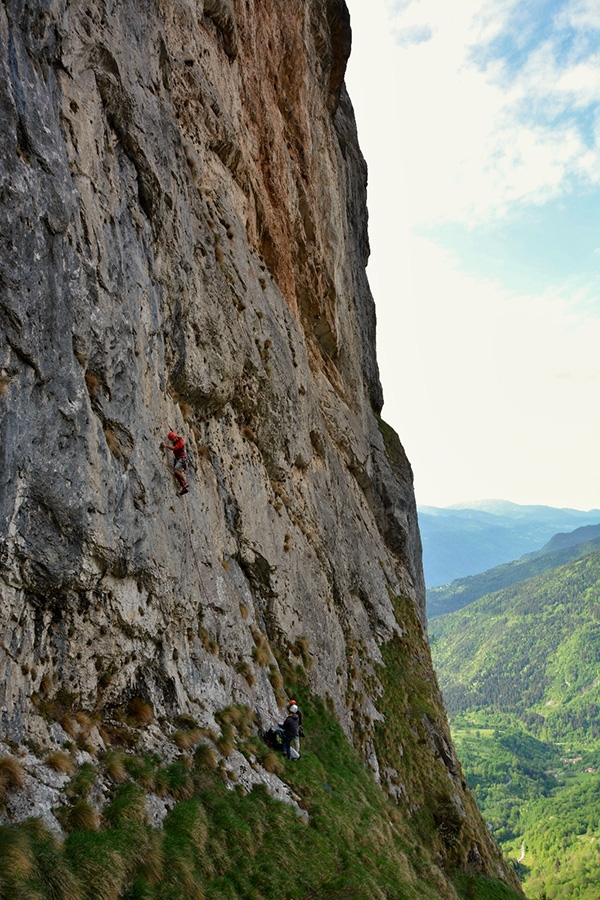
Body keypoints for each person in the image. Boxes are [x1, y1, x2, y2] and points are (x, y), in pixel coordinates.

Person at [161, 430, 189, 495]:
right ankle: (183, 488)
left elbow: (174, 448)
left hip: (182, 459)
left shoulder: (180, 443)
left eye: (173, 440)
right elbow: (173, 434)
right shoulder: (177, 438)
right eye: (172, 440)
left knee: (176, 470)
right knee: (176, 474)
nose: (172, 441)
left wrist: (166, 445)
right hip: (178, 458)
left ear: (175, 437)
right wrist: (171, 430)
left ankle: (185, 483)